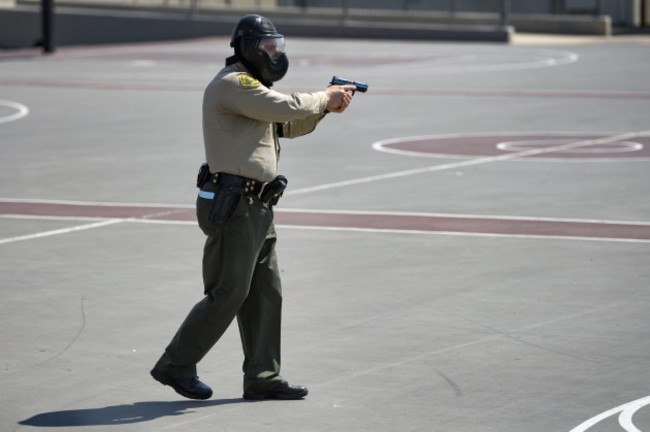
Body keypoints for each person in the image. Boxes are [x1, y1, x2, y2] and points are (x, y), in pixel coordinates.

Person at [150, 14, 355, 401]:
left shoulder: (254, 92)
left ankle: (262, 376)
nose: (275, 54)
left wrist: (326, 108)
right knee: (228, 292)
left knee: (265, 292)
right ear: (247, 48)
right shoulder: (234, 84)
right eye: (268, 47)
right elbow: (288, 106)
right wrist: (322, 98)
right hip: (234, 204)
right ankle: (175, 364)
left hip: (257, 205)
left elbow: (288, 125)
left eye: (277, 46)